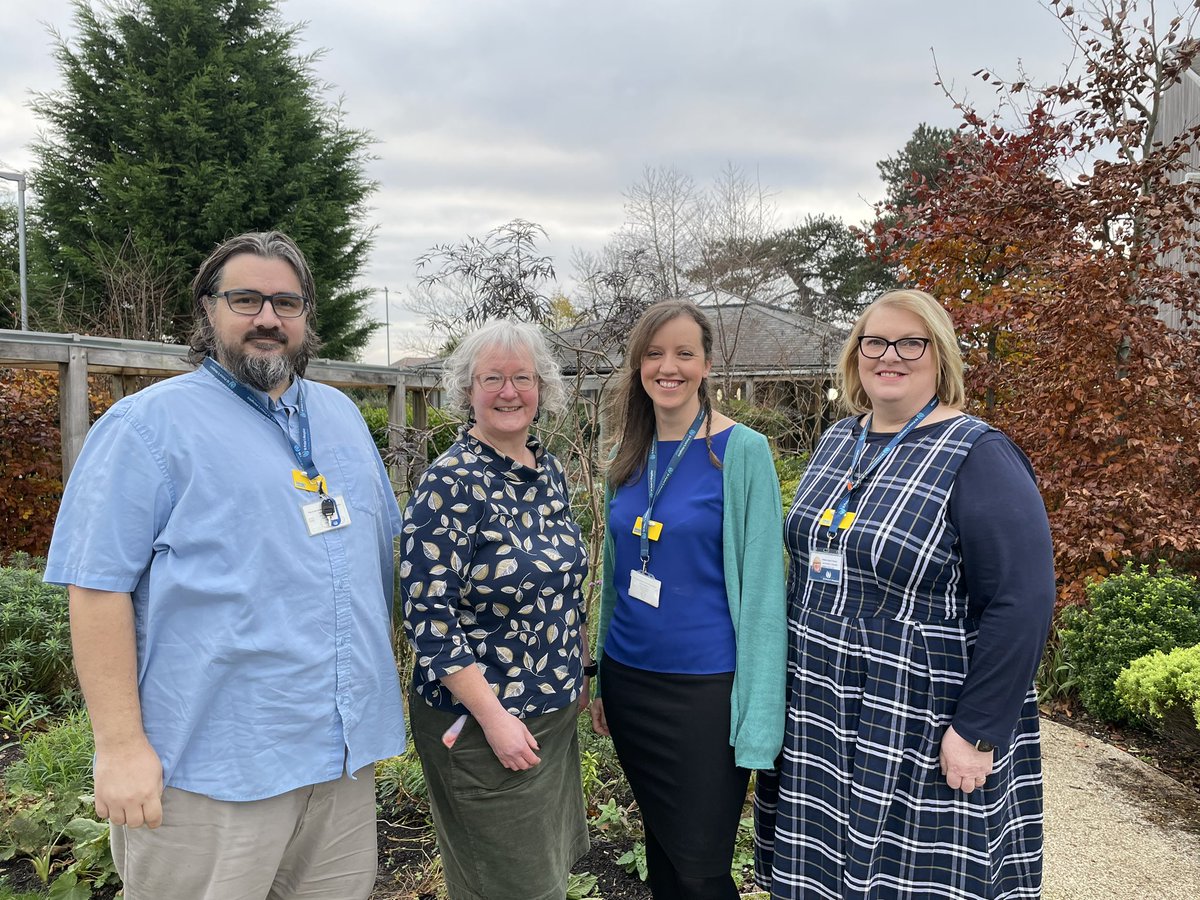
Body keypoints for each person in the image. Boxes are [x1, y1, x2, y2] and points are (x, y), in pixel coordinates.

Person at [43, 231, 406, 900]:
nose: (268, 317)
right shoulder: (145, 428)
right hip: (212, 768)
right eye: (246, 299)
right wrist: (120, 748)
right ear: (208, 311)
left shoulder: (341, 418)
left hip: (341, 760)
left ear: (306, 317)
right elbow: (96, 591)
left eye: (286, 302)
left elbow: (383, 552)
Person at [754, 289, 1056, 899]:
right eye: (875, 342)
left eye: (910, 342)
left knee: (913, 879)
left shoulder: (978, 453)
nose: (890, 356)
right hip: (820, 703)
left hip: (918, 709)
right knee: (823, 871)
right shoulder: (838, 440)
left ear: (939, 356)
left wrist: (976, 730)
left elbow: (1022, 601)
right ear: (856, 355)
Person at [591, 299, 787, 900]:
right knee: (665, 854)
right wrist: (600, 678)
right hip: (630, 682)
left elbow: (762, 592)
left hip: (705, 693)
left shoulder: (742, 452)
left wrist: (759, 716)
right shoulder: (626, 453)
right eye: (654, 354)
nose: (667, 367)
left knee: (702, 871)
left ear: (706, 365)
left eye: (683, 353)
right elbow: (616, 577)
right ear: (638, 365)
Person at [400, 319, 591, 900]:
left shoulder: (547, 471)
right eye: (492, 379)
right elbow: (428, 618)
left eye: (523, 378)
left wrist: (581, 670)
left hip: (549, 714)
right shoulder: (449, 484)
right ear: (466, 392)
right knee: (508, 884)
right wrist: (494, 718)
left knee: (544, 871)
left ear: (543, 388)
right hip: (484, 724)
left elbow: (564, 586)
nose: (509, 392)